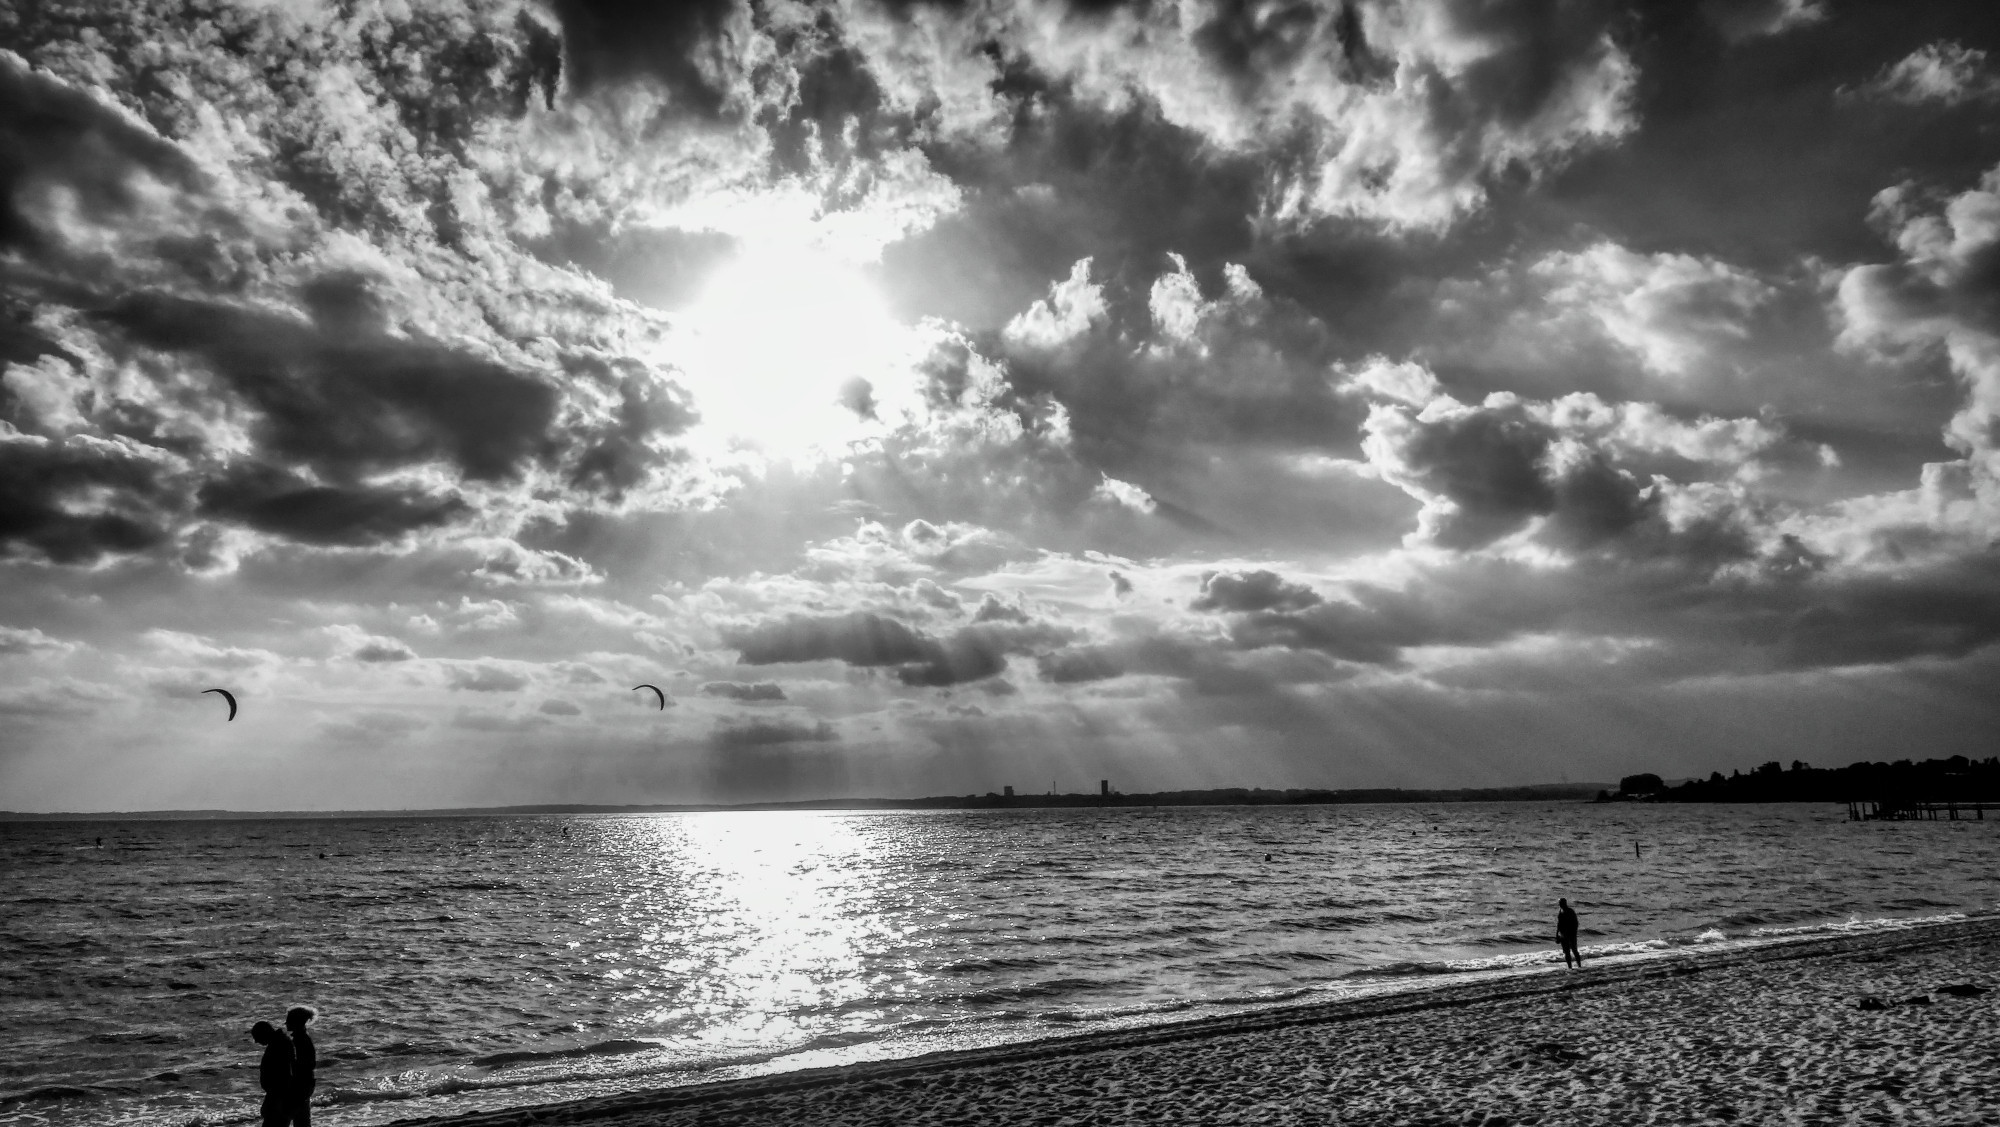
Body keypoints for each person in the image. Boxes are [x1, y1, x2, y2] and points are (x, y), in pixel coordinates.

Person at [249, 1021, 293, 1127]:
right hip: (277, 1095)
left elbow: (282, 1075)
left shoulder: (279, 1044)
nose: (256, 1041)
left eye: (257, 1037)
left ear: (264, 1033)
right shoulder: (279, 1042)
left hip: (279, 1096)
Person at [285, 1006, 318, 1126]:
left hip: (301, 1084)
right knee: (302, 1118)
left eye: (288, 1020)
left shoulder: (300, 1040)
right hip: (306, 1083)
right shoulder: (302, 1038)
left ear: (296, 1022)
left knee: (300, 1119)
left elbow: (302, 1064)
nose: (286, 1023)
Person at [1556, 898, 1582, 969]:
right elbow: (1559, 924)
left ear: (1565, 903)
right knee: (1566, 952)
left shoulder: (1570, 911)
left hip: (1571, 934)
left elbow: (1575, 923)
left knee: (1574, 950)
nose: (1560, 904)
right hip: (1562, 935)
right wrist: (1557, 935)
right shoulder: (1560, 911)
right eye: (1559, 903)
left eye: (1561, 903)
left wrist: (1573, 933)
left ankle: (1579, 965)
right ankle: (1569, 967)